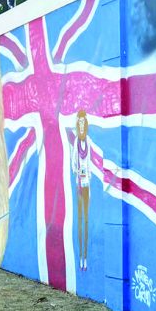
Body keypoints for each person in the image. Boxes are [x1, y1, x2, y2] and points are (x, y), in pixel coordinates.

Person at [71, 110, 92, 271]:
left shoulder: (88, 141)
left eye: (83, 123)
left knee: (86, 220)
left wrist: (87, 175)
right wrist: (77, 171)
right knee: (79, 220)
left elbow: (89, 162)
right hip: (79, 184)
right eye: (79, 123)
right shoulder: (76, 142)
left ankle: (86, 257)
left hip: (87, 185)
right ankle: (80, 258)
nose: (82, 126)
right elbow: (73, 163)